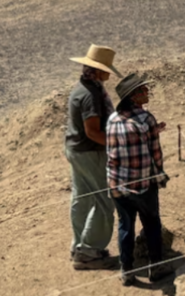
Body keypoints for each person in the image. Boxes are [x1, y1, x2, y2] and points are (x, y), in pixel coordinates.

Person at [107, 73, 172, 286]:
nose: (147, 93)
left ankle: (127, 270)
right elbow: (156, 154)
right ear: (134, 96)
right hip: (143, 184)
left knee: (125, 225)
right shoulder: (146, 119)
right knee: (152, 223)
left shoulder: (112, 119)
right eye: (143, 90)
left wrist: (153, 130)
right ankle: (156, 267)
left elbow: (117, 148)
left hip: (117, 183)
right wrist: (160, 176)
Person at [65, 45, 121, 270]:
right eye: (106, 69)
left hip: (76, 149)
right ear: (98, 71)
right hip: (90, 152)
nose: (109, 73)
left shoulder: (82, 87)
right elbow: (93, 132)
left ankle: (78, 245)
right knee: (105, 200)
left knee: (82, 197)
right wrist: (119, 143)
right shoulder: (91, 95)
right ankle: (88, 251)